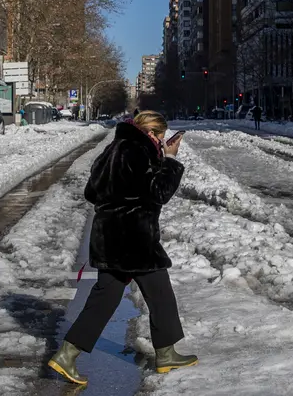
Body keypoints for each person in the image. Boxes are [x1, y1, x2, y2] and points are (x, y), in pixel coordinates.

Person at [48, 111, 195, 385]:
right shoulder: (139, 151)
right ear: (151, 133)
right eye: (161, 137)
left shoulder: (113, 149)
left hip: (109, 235)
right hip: (134, 237)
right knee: (159, 293)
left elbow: (91, 192)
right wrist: (171, 160)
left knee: (107, 298)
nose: (163, 142)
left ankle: (67, 354)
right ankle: (165, 354)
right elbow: (158, 193)